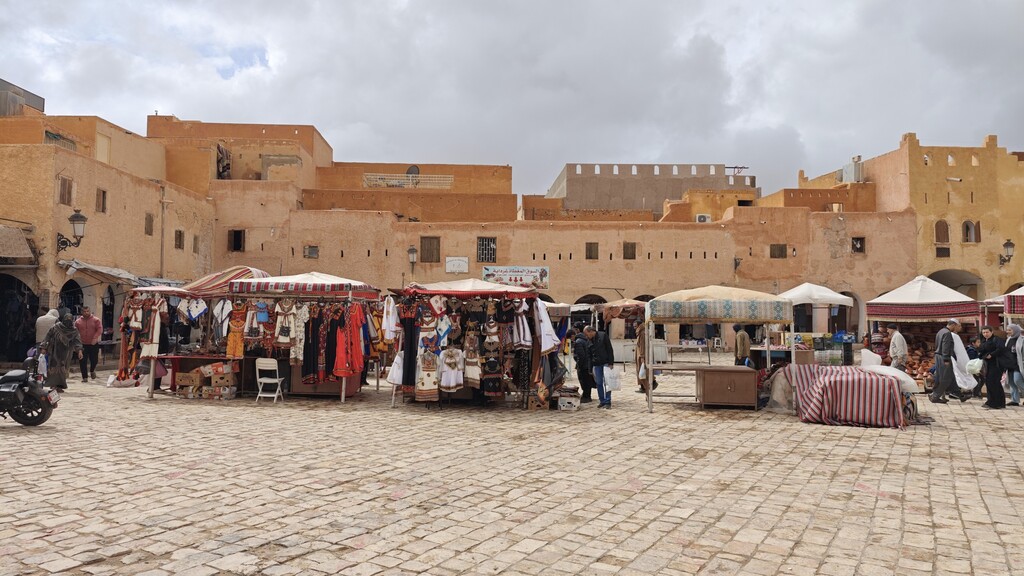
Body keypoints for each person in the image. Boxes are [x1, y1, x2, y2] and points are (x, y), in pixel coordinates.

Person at [41, 309, 83, 391]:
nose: (68, 321)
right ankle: (53, 385)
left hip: (66, 352)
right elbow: (48, 336)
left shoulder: (74, 330)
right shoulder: (56, 327)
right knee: (53, 366)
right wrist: (44, 347)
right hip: (54, 350)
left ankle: (60, 385)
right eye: (66, 319)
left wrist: (79, 351)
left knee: (63, 367)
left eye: (70, 320)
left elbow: (77, 341)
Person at [930, 319, 965, 404]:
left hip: (939, 356)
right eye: (957, 326)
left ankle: (959, 394)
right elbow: (946, 346)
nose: (957, 329)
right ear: (953, 325)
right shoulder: (947, 333)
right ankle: (935, 396)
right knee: (945, 378)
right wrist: (946, 359)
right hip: (943, 357)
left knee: (948, 376)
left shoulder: (941, 331)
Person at [977, 325, 1007, 409]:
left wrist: (992, 355)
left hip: (996, 364)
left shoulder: (997, 339)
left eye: (987, 332)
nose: (985, 334)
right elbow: (981, 351)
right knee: (990, 383)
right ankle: (995, 401)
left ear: (991, 332)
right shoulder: (983, 341)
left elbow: (1001, 349)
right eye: (984, 332)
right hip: (987, 364)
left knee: (993, 382)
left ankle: (995, 402)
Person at [586, 326, 615, 409]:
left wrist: (611, 362)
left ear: (591, 331)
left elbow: (609, 349)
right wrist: (590, 368)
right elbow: (589, 356)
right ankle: (602, 401)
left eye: (587, 334)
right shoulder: (589, 341)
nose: (586, 336)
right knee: (599, 383)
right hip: (596, 364)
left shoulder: (603, 335)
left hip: (605, 363)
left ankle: (608, 401)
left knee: (607, 383)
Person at [75, 306, 103, 382]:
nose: (86, 313)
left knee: (94, 360)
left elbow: (100, 329)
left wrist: (95, 338)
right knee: (82, 361)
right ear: (82, 312)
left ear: (89, 311)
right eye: (84, 311)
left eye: (87, 311)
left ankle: (92, 370)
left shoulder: (96, 320)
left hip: (93, 343)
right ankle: (84, 377)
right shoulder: (78, 322)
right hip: (82, 344)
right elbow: (75, 332)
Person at [572, 328, 595, 403]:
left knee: (584, 381)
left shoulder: (578, 342)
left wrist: (579, 365)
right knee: (587, 381)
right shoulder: (585, 339)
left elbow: (581, 355)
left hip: (583, 365)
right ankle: (587, 395)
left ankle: (586, 396)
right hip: (588, 364)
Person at [1004, 324, 1024, 407]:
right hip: (1010, 364)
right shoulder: (1008, 339)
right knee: (1011, 383)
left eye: (1010, 330)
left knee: (1017, 380)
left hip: (1019, 364)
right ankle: (1015, 400)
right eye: (1007, 330)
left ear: (1015, 330)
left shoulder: (1021, 340)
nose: (1008, 332)